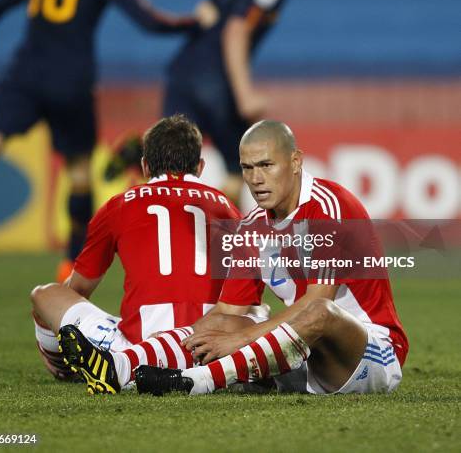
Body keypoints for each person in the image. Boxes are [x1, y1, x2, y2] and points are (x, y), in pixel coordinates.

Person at [0, 0, 197, 281]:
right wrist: (194, 21)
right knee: (77, 170)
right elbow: (147, 20)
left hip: (24, 73)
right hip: (71, 81)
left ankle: (71, 264)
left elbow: (0, 3)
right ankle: (71, 266)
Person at [134, 120, 409, 396]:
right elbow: (227, 312)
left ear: (296, 161)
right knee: (224, 323)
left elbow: (318, 300)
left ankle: (199, 380)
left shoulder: (328, 208)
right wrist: (176, 342)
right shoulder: (251, 227)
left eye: (266, 165)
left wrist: (241, 339)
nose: (256, 179)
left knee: (320, 312)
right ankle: (133, 370)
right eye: (247, 168)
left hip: (369, 355)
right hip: (306, 355)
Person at [30, 114, 265, 394]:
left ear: (144, 166)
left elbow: (79, 289)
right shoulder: (228, 208)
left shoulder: (118, 206)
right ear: (200, 167)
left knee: (45, 295)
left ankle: (66, 367)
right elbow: (244, 296)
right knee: (257, 312)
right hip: (209, 345)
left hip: (136, 345)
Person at [105, 0, 327, 201]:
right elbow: (236, 31)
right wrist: (245, 94)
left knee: (169, 162)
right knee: (240, 167)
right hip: (214, 81)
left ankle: (141, 150)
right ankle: (221, 241)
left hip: (184, 71)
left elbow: (207, 7)